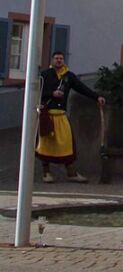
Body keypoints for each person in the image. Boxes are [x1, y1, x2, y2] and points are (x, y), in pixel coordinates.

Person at [36, 50, 106, 183]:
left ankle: (71, 173)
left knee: (67, 143)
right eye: (56, 58)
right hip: (47, 115)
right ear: (52, 60)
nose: (59, 60)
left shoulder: (69, 76)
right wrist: (52, 94)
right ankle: (46, 173)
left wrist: (96, 97)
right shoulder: (44, 75)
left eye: (61, 58)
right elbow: (37, 92)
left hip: (61, 115)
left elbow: (81, 88)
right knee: (46, 144)